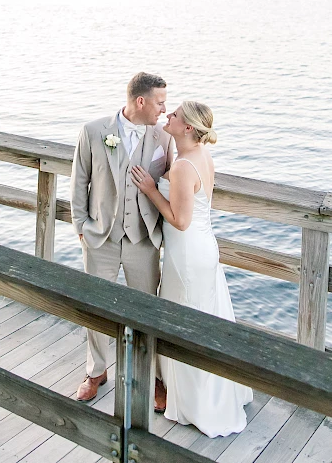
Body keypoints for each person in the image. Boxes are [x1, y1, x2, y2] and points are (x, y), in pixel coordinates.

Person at [131, 101, 253, 438]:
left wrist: (152, 190)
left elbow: (180, 220)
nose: (168, 116)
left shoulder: (185, 166)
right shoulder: (200, 155)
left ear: (187, 128)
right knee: (205, 316)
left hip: (187, 252)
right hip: (202, 248)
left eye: (175, 116)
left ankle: (196, 401)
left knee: (184, 319)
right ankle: (208, 390)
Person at [71, 72, 174, 406]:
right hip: (101, 237)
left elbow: (175, 177)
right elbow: (79, 182)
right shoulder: (93, 131)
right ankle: (96, 370)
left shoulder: (164, 137)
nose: (164, 109)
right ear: (140, 101)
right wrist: (81, 227)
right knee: (96, 309)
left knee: (148, 312)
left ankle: (153, 377)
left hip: (144, 240)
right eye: (160, 102)